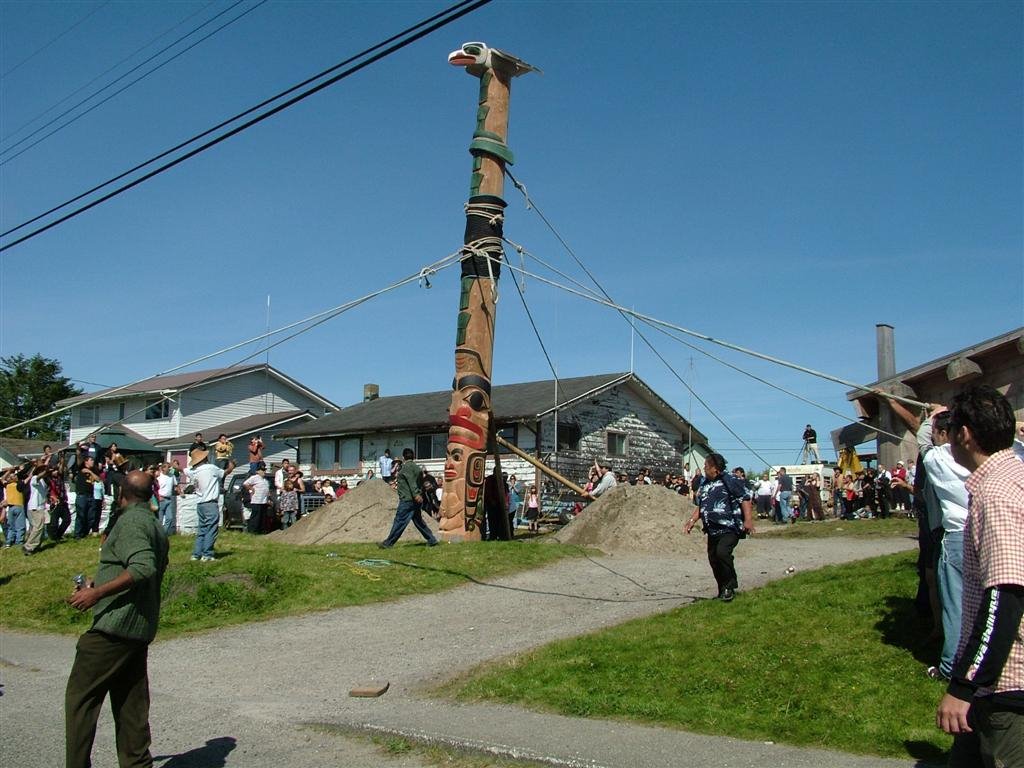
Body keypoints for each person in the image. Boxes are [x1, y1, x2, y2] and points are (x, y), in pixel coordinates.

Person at [935, 385, 1024, 766]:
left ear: (964, 434)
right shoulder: (1014, 474)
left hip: (1006, 682)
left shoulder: (997, 492)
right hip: (993, 678)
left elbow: (1005, 594)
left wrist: (965, 685)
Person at [64, 470, 169, 768]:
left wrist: (96, 596)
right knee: (131, 707)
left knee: (80, 700)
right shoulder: (153, 524)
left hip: (114, 628)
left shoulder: (131, 522)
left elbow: (143, 567)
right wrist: (97, 586)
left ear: (121, 495)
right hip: (137, 627)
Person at [684, 453, 755, 602]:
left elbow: (745, 499)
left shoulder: (731, 480)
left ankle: (730, 585)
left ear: (715, 468)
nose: (704, 469)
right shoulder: (705, 483)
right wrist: (692, 521)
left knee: (722, 553)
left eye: (706, 467)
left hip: (730, 527)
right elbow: (702, 505)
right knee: (714, 559)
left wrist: (748, 520)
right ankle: (723, 590)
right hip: (712, 530)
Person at [378, 448, 437, 548]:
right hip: (415, 500)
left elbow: (411, 482)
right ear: (413, 456)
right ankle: (431, 539)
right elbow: (419, 482)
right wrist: (419, 493)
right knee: (418, 521)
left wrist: (415, 494)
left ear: (403, 457)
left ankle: (388, 543)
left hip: (407, 499)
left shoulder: (406, 468)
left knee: (400, 521)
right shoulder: (417, 468)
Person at [185, 448, 235, 561]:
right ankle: (207, 554)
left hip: (200, 503)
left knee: (202, 529)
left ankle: (196, 554)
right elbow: (225, 472)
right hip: (210, 502)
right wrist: (232, 465)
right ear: (205, 458)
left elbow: (185, 470)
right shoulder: (211, 468)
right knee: (211, 528)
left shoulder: (194, 471)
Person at [22, 464, 50, 555]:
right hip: (35, 507)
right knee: (38, 527)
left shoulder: (44, 481)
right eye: (43, 471)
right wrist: (46, 470)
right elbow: (38, 477)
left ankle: (36, 546)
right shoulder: (34, 478)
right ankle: (28, 546)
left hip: (41, 507)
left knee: (40, 528)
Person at [243, 466, 271, 534]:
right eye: (262, 470)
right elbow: (245, 483)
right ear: (257, 471)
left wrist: (268, 498)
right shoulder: (254, 477)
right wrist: (251, 488)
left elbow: (267, 490)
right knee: (256, 517)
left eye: (265, 470)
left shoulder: (265, 480)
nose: (264, 471)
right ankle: (253, 531)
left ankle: (261, 531)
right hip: (256, 501)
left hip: (264, 501)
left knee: (262, 517)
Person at [155, 464, 177, 536]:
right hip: (161, 499)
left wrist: (180, 492)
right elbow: (156, 488)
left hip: (169, 499)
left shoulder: (172, 476)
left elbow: (175, 485)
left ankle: (163, 534)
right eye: (168, 467)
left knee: (169, 518)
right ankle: (158, 534)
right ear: (163, 468)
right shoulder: (159, 477)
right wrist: (158, 496)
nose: (170, 469)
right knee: (160, 520)